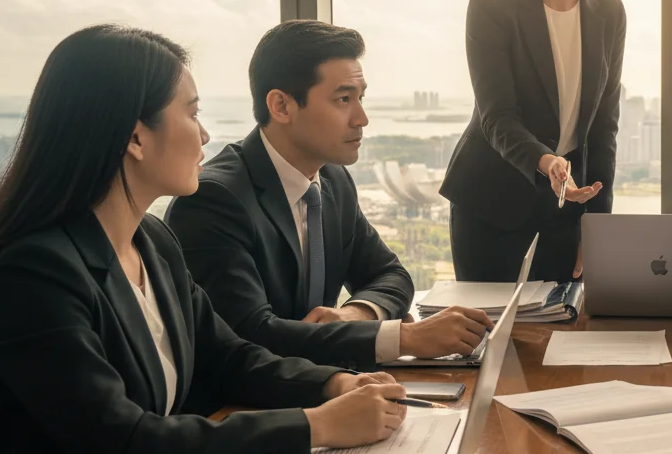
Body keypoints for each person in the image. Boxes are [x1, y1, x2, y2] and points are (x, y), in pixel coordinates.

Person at [0, 26, 412, 454]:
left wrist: (334, 382)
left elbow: (227, 355)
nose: (206, 135)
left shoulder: (151, 240)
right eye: (192, 113)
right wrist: (318, 425)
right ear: (136, 138)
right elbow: (123, 444)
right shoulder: (32, 271)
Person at [167, 21, 491, 370]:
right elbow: (250, 335)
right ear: (281, 106)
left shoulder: (333, 180)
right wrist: (404, 338)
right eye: (343, 99)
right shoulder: (214, 200)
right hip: (242, 408)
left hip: (327, 385)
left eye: (360, 98)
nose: (362, 118)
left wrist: (355, 312)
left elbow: (391, 275)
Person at [440, 0, 625, 283]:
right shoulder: (492, 6)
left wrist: (598, 227)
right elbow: (497, 117)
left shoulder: (610, 12)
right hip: (492, 200)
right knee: (489, 337)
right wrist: (547, 161)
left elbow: (604, 128)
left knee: (565, 331)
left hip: (568, 203)